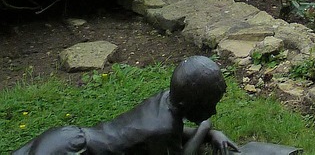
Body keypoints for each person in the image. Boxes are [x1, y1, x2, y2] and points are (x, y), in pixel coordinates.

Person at [12, 56, 237, 155]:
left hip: (66, 138)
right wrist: (206, 128)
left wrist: (211, 133)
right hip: (73, 151)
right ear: (188, 102)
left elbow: (177, 133)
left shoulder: (165, 99)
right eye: (210, 105)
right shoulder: (162, 129)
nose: (213, 111)